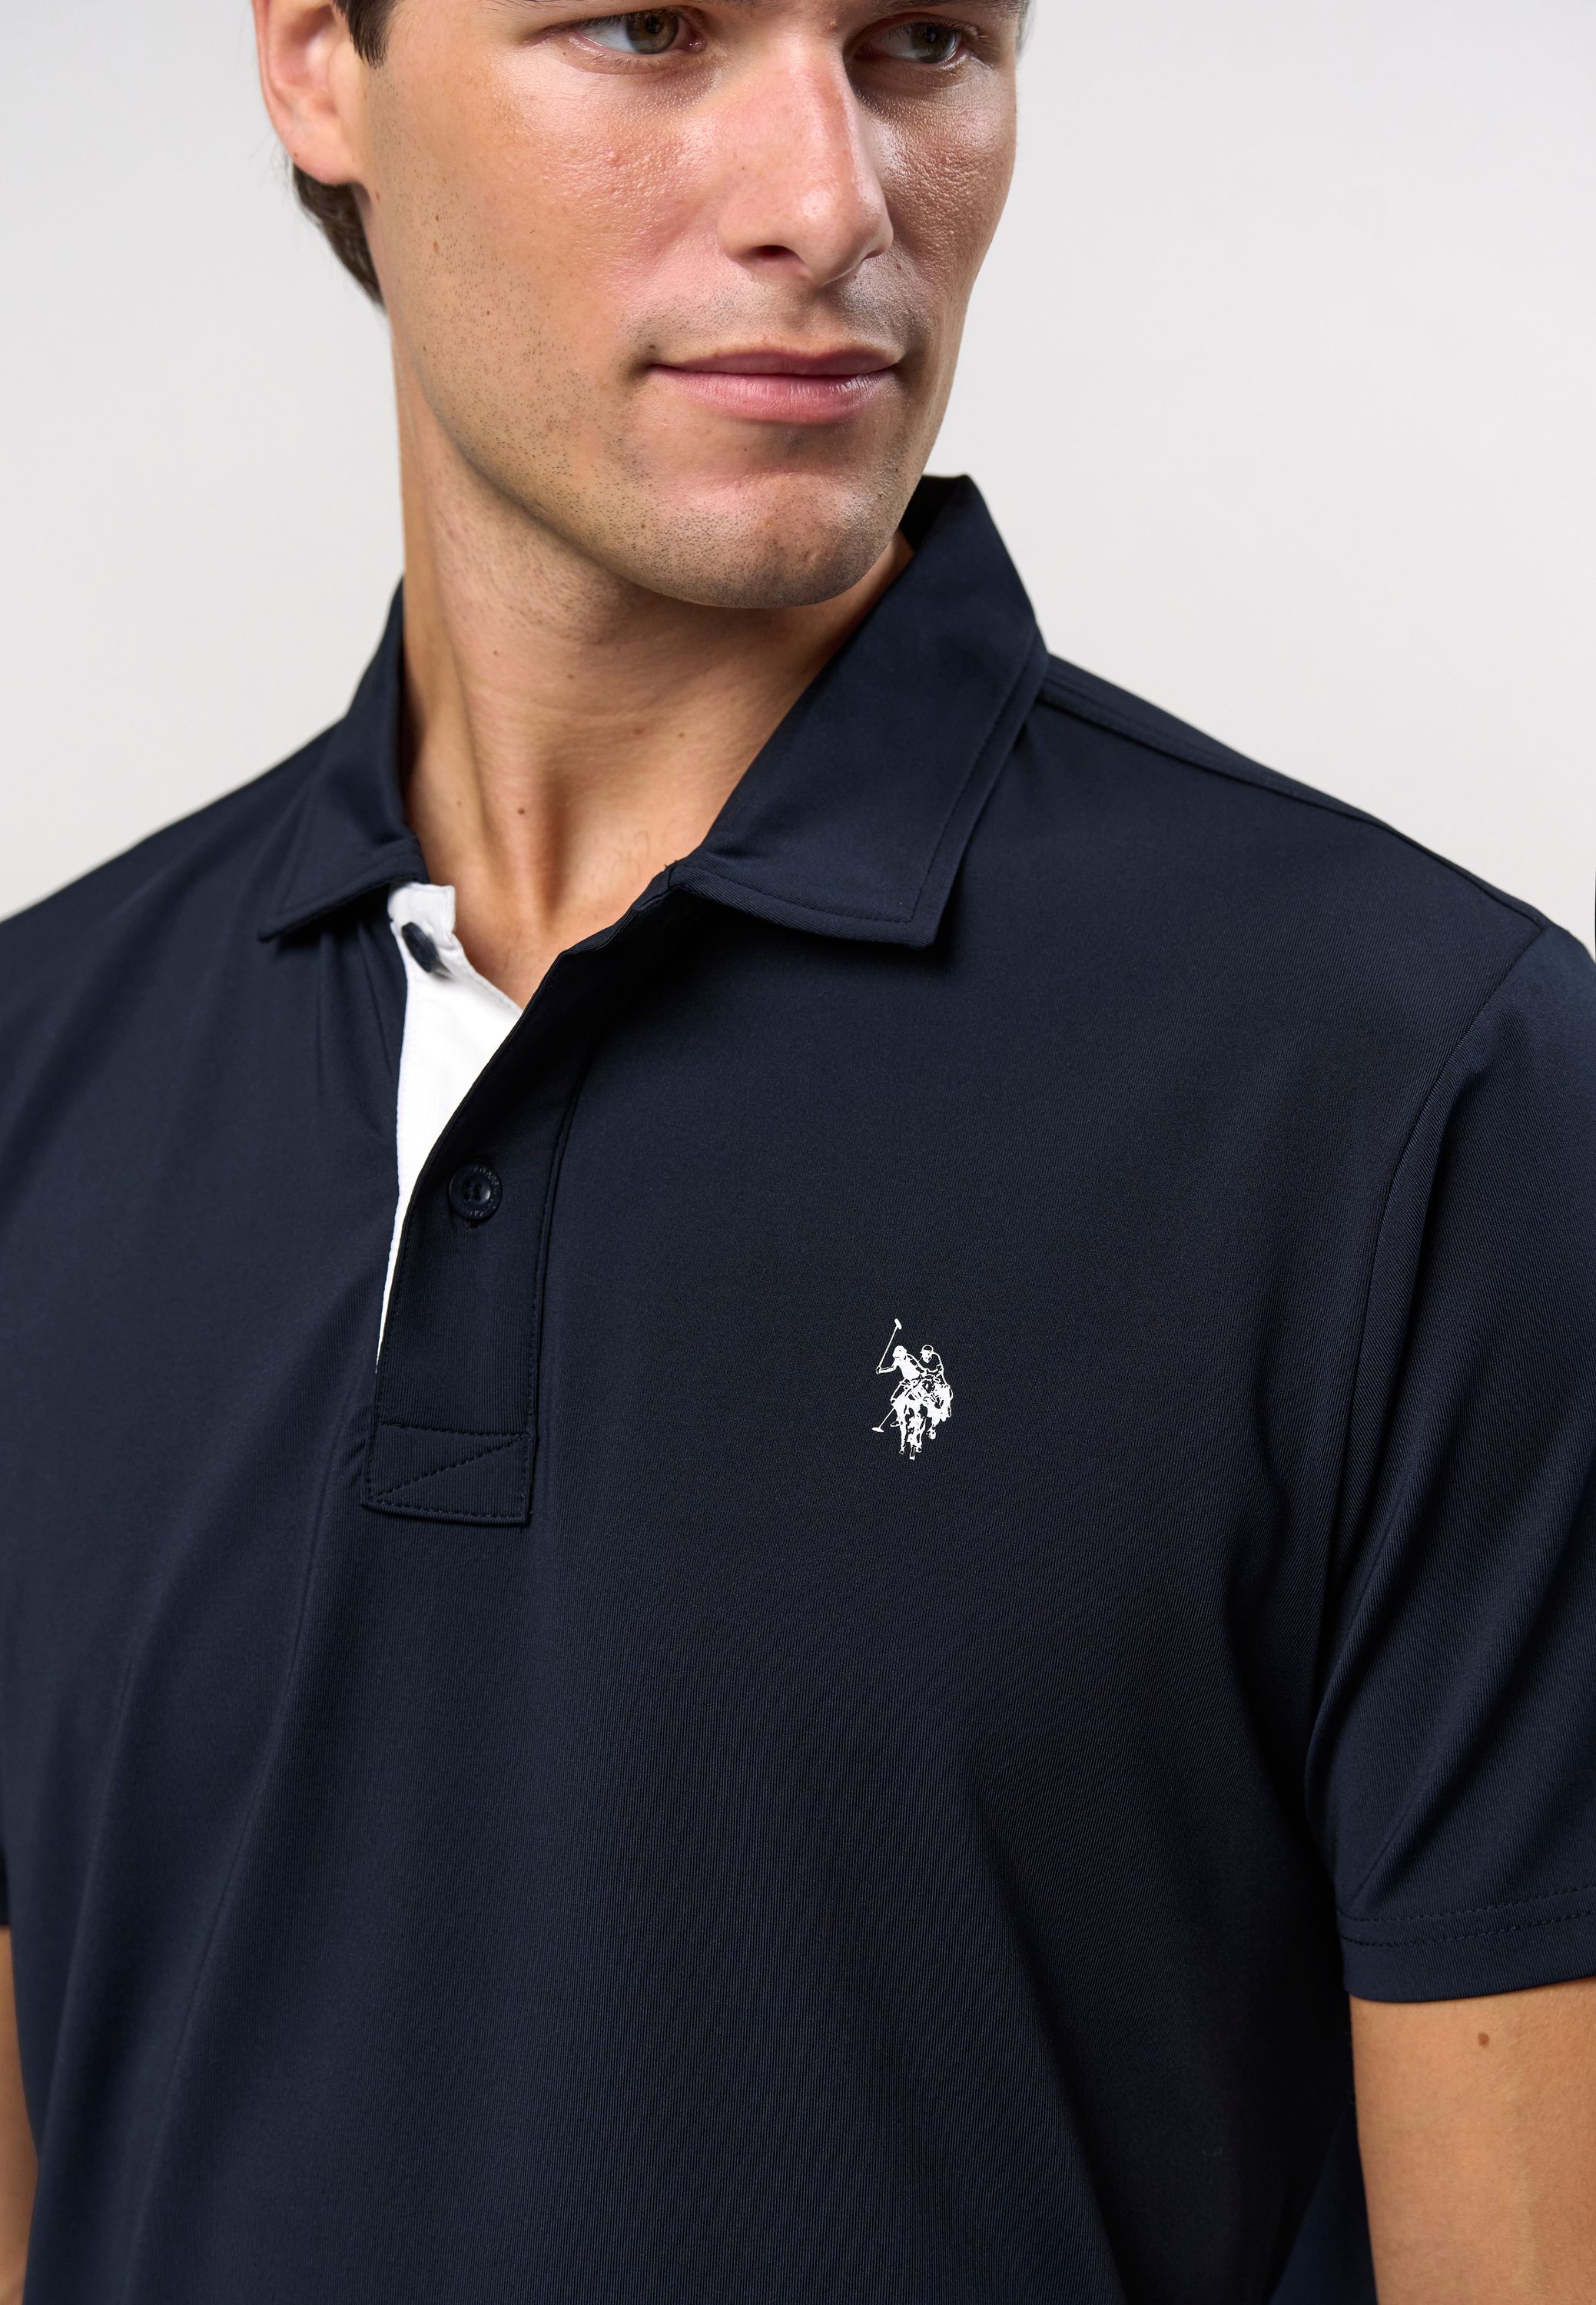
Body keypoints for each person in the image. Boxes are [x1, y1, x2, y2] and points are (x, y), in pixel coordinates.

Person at [1, 2, 1593, 2298]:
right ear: (319, 58)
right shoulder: (38, 1082)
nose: (834, 200)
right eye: (651, 29)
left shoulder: (1422, 1096)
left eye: (924, 40)